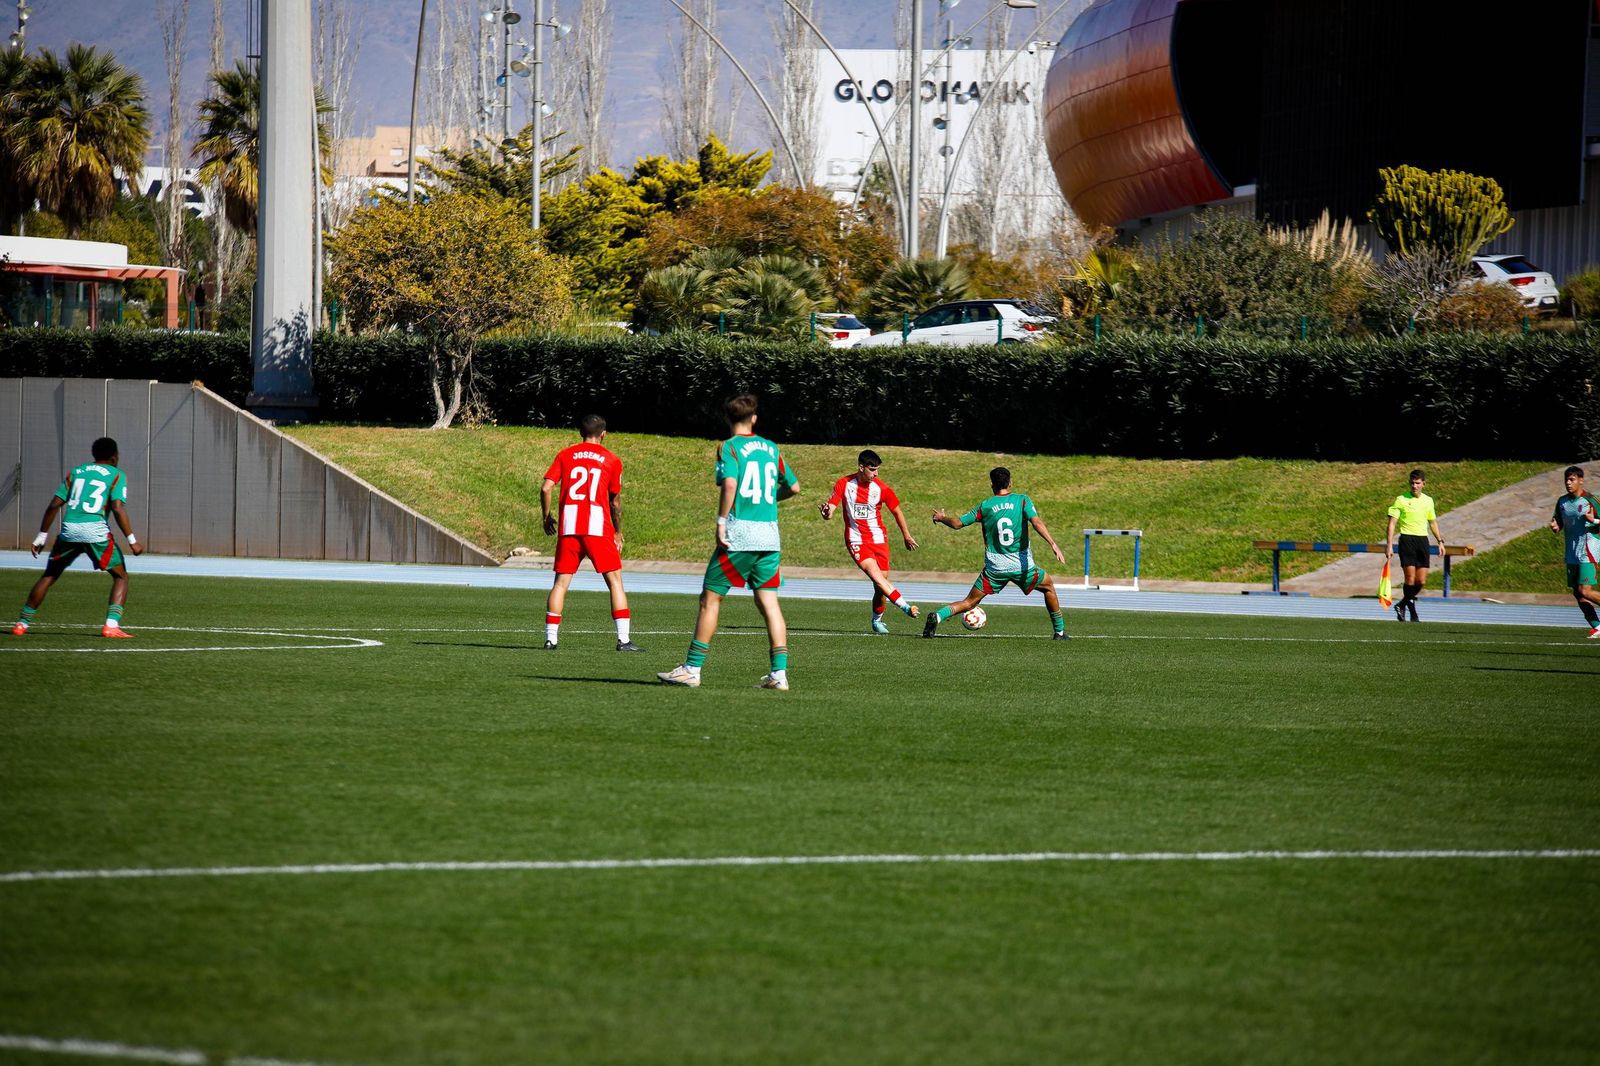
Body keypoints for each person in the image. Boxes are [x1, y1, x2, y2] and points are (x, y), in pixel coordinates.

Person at [658, 393, 800, 690]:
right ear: (755, 418)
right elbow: (795, 487)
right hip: (769, 536)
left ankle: (692, 669)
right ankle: (779, 674)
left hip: (740, 534)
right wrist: (770, 499)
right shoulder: (772, 448)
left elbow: (732, 484)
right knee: (769, 604)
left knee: (710, 599)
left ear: (727, 418)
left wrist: (722, 521)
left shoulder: (730, 447)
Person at [11, 436, 146, 638]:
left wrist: (41, 536)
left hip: (69, 529)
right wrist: (133, 541)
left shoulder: (77, 472)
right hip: (95, 531)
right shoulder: (117, 474)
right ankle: (111, 625)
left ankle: (22, 624)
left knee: (49, 575)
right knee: (121, 576)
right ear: (114, 457)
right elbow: (118, 508)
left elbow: (54, 504)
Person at [923, 466, 1068, 640]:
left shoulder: (985, 506)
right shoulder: (1022, 501)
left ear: (992, 485)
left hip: (995, 567)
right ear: (1010, 482)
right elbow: (1036, 522)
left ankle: (938, 616)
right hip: (1021, 566)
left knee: (969, 602)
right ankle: (1059, 632)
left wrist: (941, 518)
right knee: (1048, 587)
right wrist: (1052, 543)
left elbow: (957, 524)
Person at [539, 414, 642, 652]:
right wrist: (618, 532)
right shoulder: (611, 459)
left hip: (569, 527)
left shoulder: (566, 455)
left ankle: (550, 640)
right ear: (603, 434)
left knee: (560, 584)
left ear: (579, 432)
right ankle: (623, 640)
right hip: (598, 528)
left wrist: (546, 517)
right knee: (615, 582)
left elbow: (546, 486)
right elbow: (615, 502)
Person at [819, 449, 921, 634]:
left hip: (879, 540)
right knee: (877, 576)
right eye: (872, 470)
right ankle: (906, 606)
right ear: (861, 467)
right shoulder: (844, 483)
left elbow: (897, 511)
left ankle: (877, 620)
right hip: (856, 539)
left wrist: (906, 535)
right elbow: (831, 508)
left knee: (880, 586)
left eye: (878, 470)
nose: (876, 474)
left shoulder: (881, 488)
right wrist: (827, 513)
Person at [1384, 468, 1444, 622]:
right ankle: (1413, 612)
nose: (1414, 486)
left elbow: (1432, 522)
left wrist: (1440, 542)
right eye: (1412, 483)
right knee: (1409, 578)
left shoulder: (1428, 500)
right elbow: (1392, 524)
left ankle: (1402, 604)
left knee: (1421, 581)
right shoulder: (1401, 499)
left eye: (1417, 483)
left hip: (1422, 541)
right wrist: (1389, 545)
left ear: (1424, 483)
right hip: (1407, 540)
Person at [1549, 465, 1600, 638]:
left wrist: (1595, 520)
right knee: (1578, 594)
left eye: (1572, 480)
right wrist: (1556, 526)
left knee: (1585, 590)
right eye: (1566, 480)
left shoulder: (1590, 500)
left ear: (1580, 480)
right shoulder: (1562, 502)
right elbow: (1558, 521)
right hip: (1572, 552)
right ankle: (1598, 626)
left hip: (1589, 549)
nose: (1568, 483)